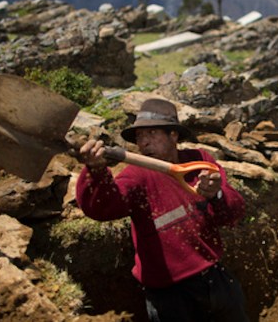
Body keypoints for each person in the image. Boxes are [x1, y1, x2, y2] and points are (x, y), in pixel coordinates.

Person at [76, 97, 249, 321]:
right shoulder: (135, 177)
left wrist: (216, 194)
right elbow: (101, 209)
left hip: (215, 281)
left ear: (173, 135)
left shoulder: (199, 160)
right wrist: (96, 171)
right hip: (169, 297)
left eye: (152, 133)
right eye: (139, 136)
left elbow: (234, 213)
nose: (143, 142)